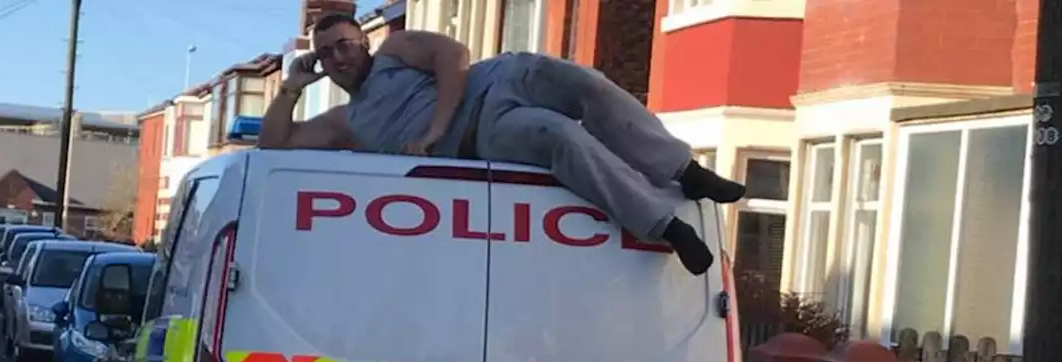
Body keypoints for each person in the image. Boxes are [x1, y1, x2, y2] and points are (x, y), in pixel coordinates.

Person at [258, 15, 747, 276]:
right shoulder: (348, 122)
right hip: (486, 135)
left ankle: (684, 171)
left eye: (345, 44)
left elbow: (455, 57)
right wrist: (291, 86)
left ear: (362, 43)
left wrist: (431, 133)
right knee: (563, 138)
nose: (339, 56)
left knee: (586, 83)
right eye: (326, 53)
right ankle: (667, 226)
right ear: (321, 64)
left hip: (500, 80)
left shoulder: (394, 50)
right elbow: (273, 146)